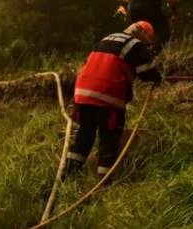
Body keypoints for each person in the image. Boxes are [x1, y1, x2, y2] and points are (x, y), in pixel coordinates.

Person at [64, 21, 162, 179]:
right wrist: (158, 78)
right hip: (107, 95)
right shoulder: (136, 44)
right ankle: (105, 180)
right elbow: (146, 72)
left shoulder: (106, 39)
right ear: (142, 33)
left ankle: (69, 174)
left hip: (82, 93)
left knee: (85, 133)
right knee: (109, 137)